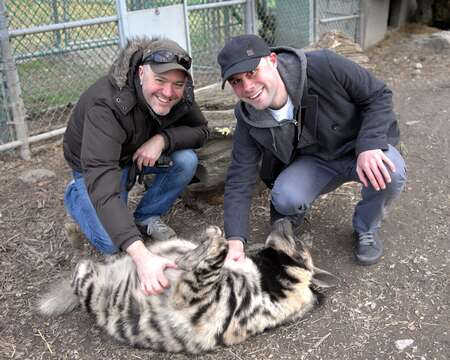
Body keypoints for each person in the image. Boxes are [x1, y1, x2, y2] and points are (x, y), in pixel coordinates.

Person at [217, 34, 406, 266]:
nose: (247, 87)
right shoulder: (248, 115)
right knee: (285, 197)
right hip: (315, 161)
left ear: (272, 60)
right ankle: (292, 215)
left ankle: (366, 227)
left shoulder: (323, 65)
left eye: (252, 72)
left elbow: (378, 95)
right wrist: (235, 240)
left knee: (391, 173)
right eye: (236, 81)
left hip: (357, 146)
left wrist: (370, 145)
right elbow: (240, 176)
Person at [63, 37, 208, 295]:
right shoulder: (107, 104)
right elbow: (102, 175)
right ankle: (75, 194)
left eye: (177, 84)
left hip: (136, 154)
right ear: (141, 73)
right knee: (111, 243)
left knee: (186, 161)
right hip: (98, 166)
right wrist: (141, 255)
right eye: (160, 81)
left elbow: (201, 130)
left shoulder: (181, 93)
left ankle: (146, 215)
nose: (168, 92)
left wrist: (163, 139)